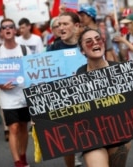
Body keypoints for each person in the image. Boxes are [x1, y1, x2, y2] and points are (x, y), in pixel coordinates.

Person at [76, 27, 131, 167]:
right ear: (82, 50)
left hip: (118, 134)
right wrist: (44, 120)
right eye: (89, 41)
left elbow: (131, 100)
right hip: (93, 136)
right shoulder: (79, 74)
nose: (95, 43)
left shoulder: (120, 70)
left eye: (98, 39)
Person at [0, 18, 32, 167]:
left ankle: (23, 156)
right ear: (1, 32)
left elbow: (33, 70)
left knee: (23, 127)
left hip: (24, 95)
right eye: (4, 27)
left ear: (15, 30)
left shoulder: (25, 50)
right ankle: (17, 163)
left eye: (10, 26)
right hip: (8, 98)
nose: (7, 29)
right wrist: (0, 85)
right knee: (13, 127)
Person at [46, 11, 81, 167]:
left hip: (88, 99)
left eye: (65, 24)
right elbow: (43, 79)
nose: (61, 28)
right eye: (59, 25)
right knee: (68, 143)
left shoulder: (87, 43)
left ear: (76, 26)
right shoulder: (52, 49)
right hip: (64, 101)